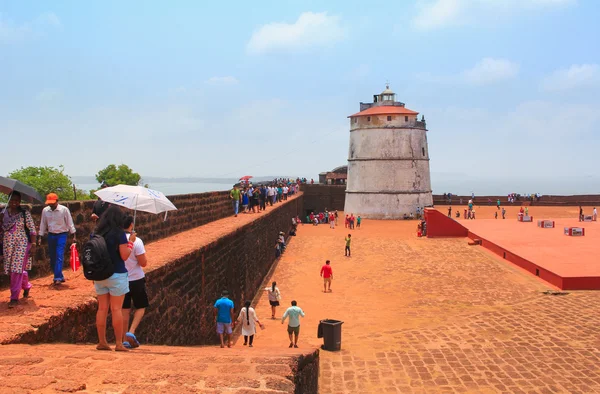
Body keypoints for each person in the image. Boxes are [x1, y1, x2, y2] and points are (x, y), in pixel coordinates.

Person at [92, 204, 134, 352]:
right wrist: (131, 243)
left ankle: (102, 341)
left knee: (102, 308)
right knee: (116, 309)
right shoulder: (119, 234)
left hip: (100, 275)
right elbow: (124, 256)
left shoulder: (96, 233)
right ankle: (118, 343)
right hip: (117, 274)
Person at [1, 192, 36, 308]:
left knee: (16, 270)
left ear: (19, 201)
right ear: (8, 200)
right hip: (8, 246)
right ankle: (26, 286)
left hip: (21, 245)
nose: (14, 203)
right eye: (11, 200)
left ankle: (14, 297)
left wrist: (34, 244)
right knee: (14, 270)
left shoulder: (24, 214)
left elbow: (32, 230)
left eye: (16, 201)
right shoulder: (3, 213)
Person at [121, 215, 149, 349]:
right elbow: (143, 263)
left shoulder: (118, 241)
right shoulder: (137, 241)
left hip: (122, 279)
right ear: (131, 224)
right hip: (136, 279)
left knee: (124, 310)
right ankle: (131, 332)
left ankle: (123, 339)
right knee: (141, 306)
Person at [37, 193, 76, 285]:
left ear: (57, 201)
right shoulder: (45, 211)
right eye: (49, 203)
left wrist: (73, 235)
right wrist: (40, 236)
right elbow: (43, 224)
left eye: (52, 203)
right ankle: (60, 275)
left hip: (62, 235)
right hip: (51, 235)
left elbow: (70, 222)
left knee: (59, 255)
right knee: (53, 257)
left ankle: (57, 277)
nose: (51, 205)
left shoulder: (64, 210)